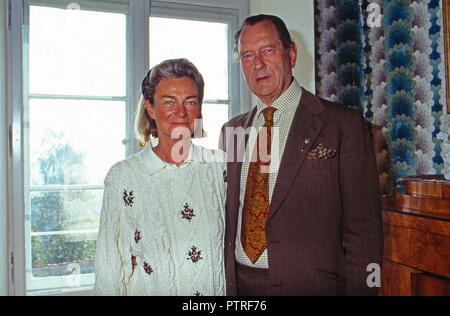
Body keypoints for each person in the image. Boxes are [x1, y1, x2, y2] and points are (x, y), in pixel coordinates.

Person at [219, 14, 383, 296]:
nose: (257, 64)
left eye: (267, 50)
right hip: (240, 287)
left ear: (291, 54)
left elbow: (365, 232)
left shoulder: (342, 125)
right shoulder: (232, 131)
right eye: (247, 56)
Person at [94, 58, 227, 296]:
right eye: (169, 102)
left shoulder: (220, 168)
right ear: (151, 108)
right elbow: (109, 269)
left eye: (190, 102)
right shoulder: (123, 177)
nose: (181, 112)